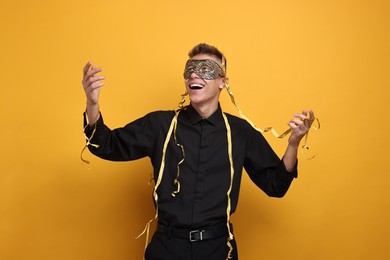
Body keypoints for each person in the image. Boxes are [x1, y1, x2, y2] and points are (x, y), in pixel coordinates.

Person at [81, 43, 315, 260]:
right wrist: (92, 103)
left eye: (205, 69)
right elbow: (106, 145)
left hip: (218, 250)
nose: (194, 74)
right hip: (166, 249)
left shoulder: (241, 132)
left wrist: (293, 144)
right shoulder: (161, 125)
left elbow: (276, 186)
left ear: (223, 81)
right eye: (190, 69)